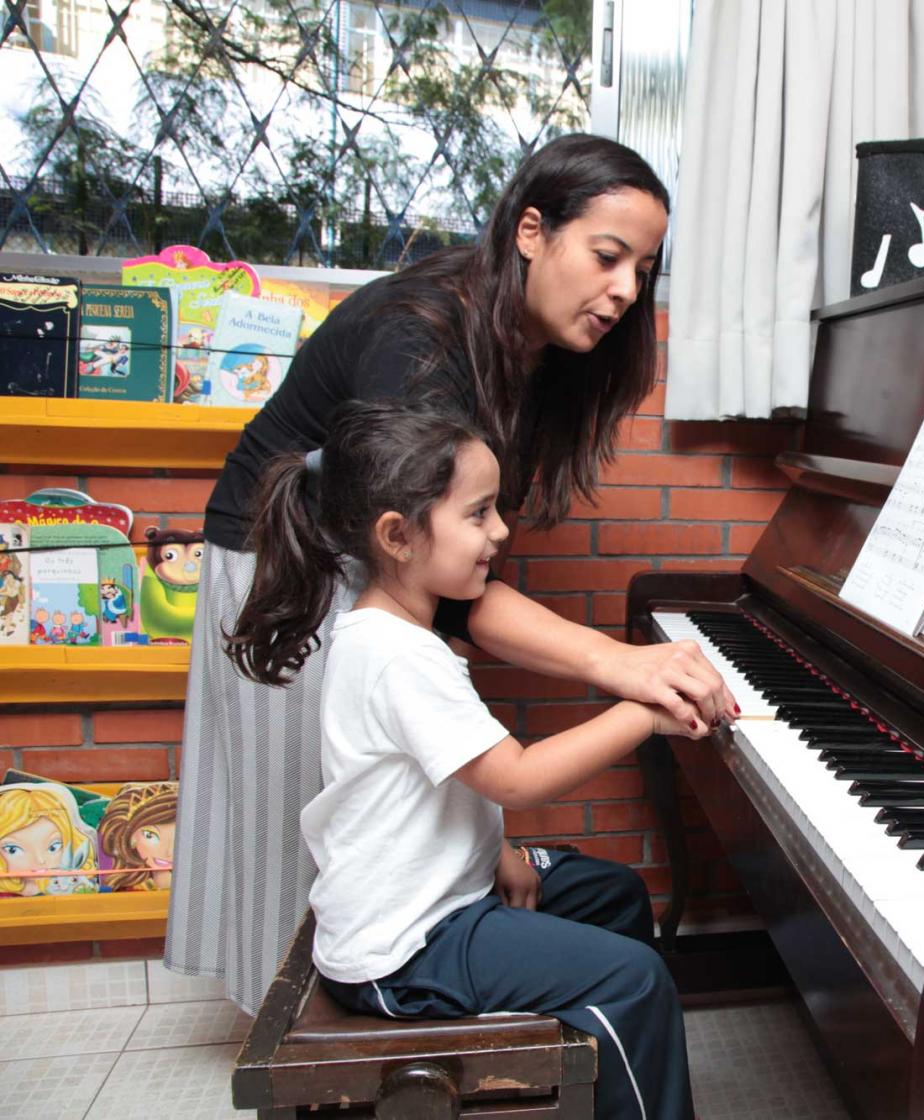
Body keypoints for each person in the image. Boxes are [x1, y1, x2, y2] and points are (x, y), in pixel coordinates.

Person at [167, 134, 737, 1016]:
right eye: (607, 256)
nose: (626, 290)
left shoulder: (535, 348)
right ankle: (311, 1057)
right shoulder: (421, 343)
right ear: (532, 231)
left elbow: (452, 586)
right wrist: (618, 665)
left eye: (644, 270)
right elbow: (453, 594)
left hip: (364, 564)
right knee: (311, 839)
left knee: (396, 819)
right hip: (283, 557)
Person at [224, 401, 693, 1119]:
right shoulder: (394, 655)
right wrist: (639, 712)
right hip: (405, 948)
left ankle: (589, 1075)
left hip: (442, 896)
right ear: (398, 536)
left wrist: (498, 848)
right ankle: (621, 1051)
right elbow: (515, 776)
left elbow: (440, 787)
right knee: (636, 978)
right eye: (478, 514)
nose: (500, 531)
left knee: (617, 896)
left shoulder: (401, 634)